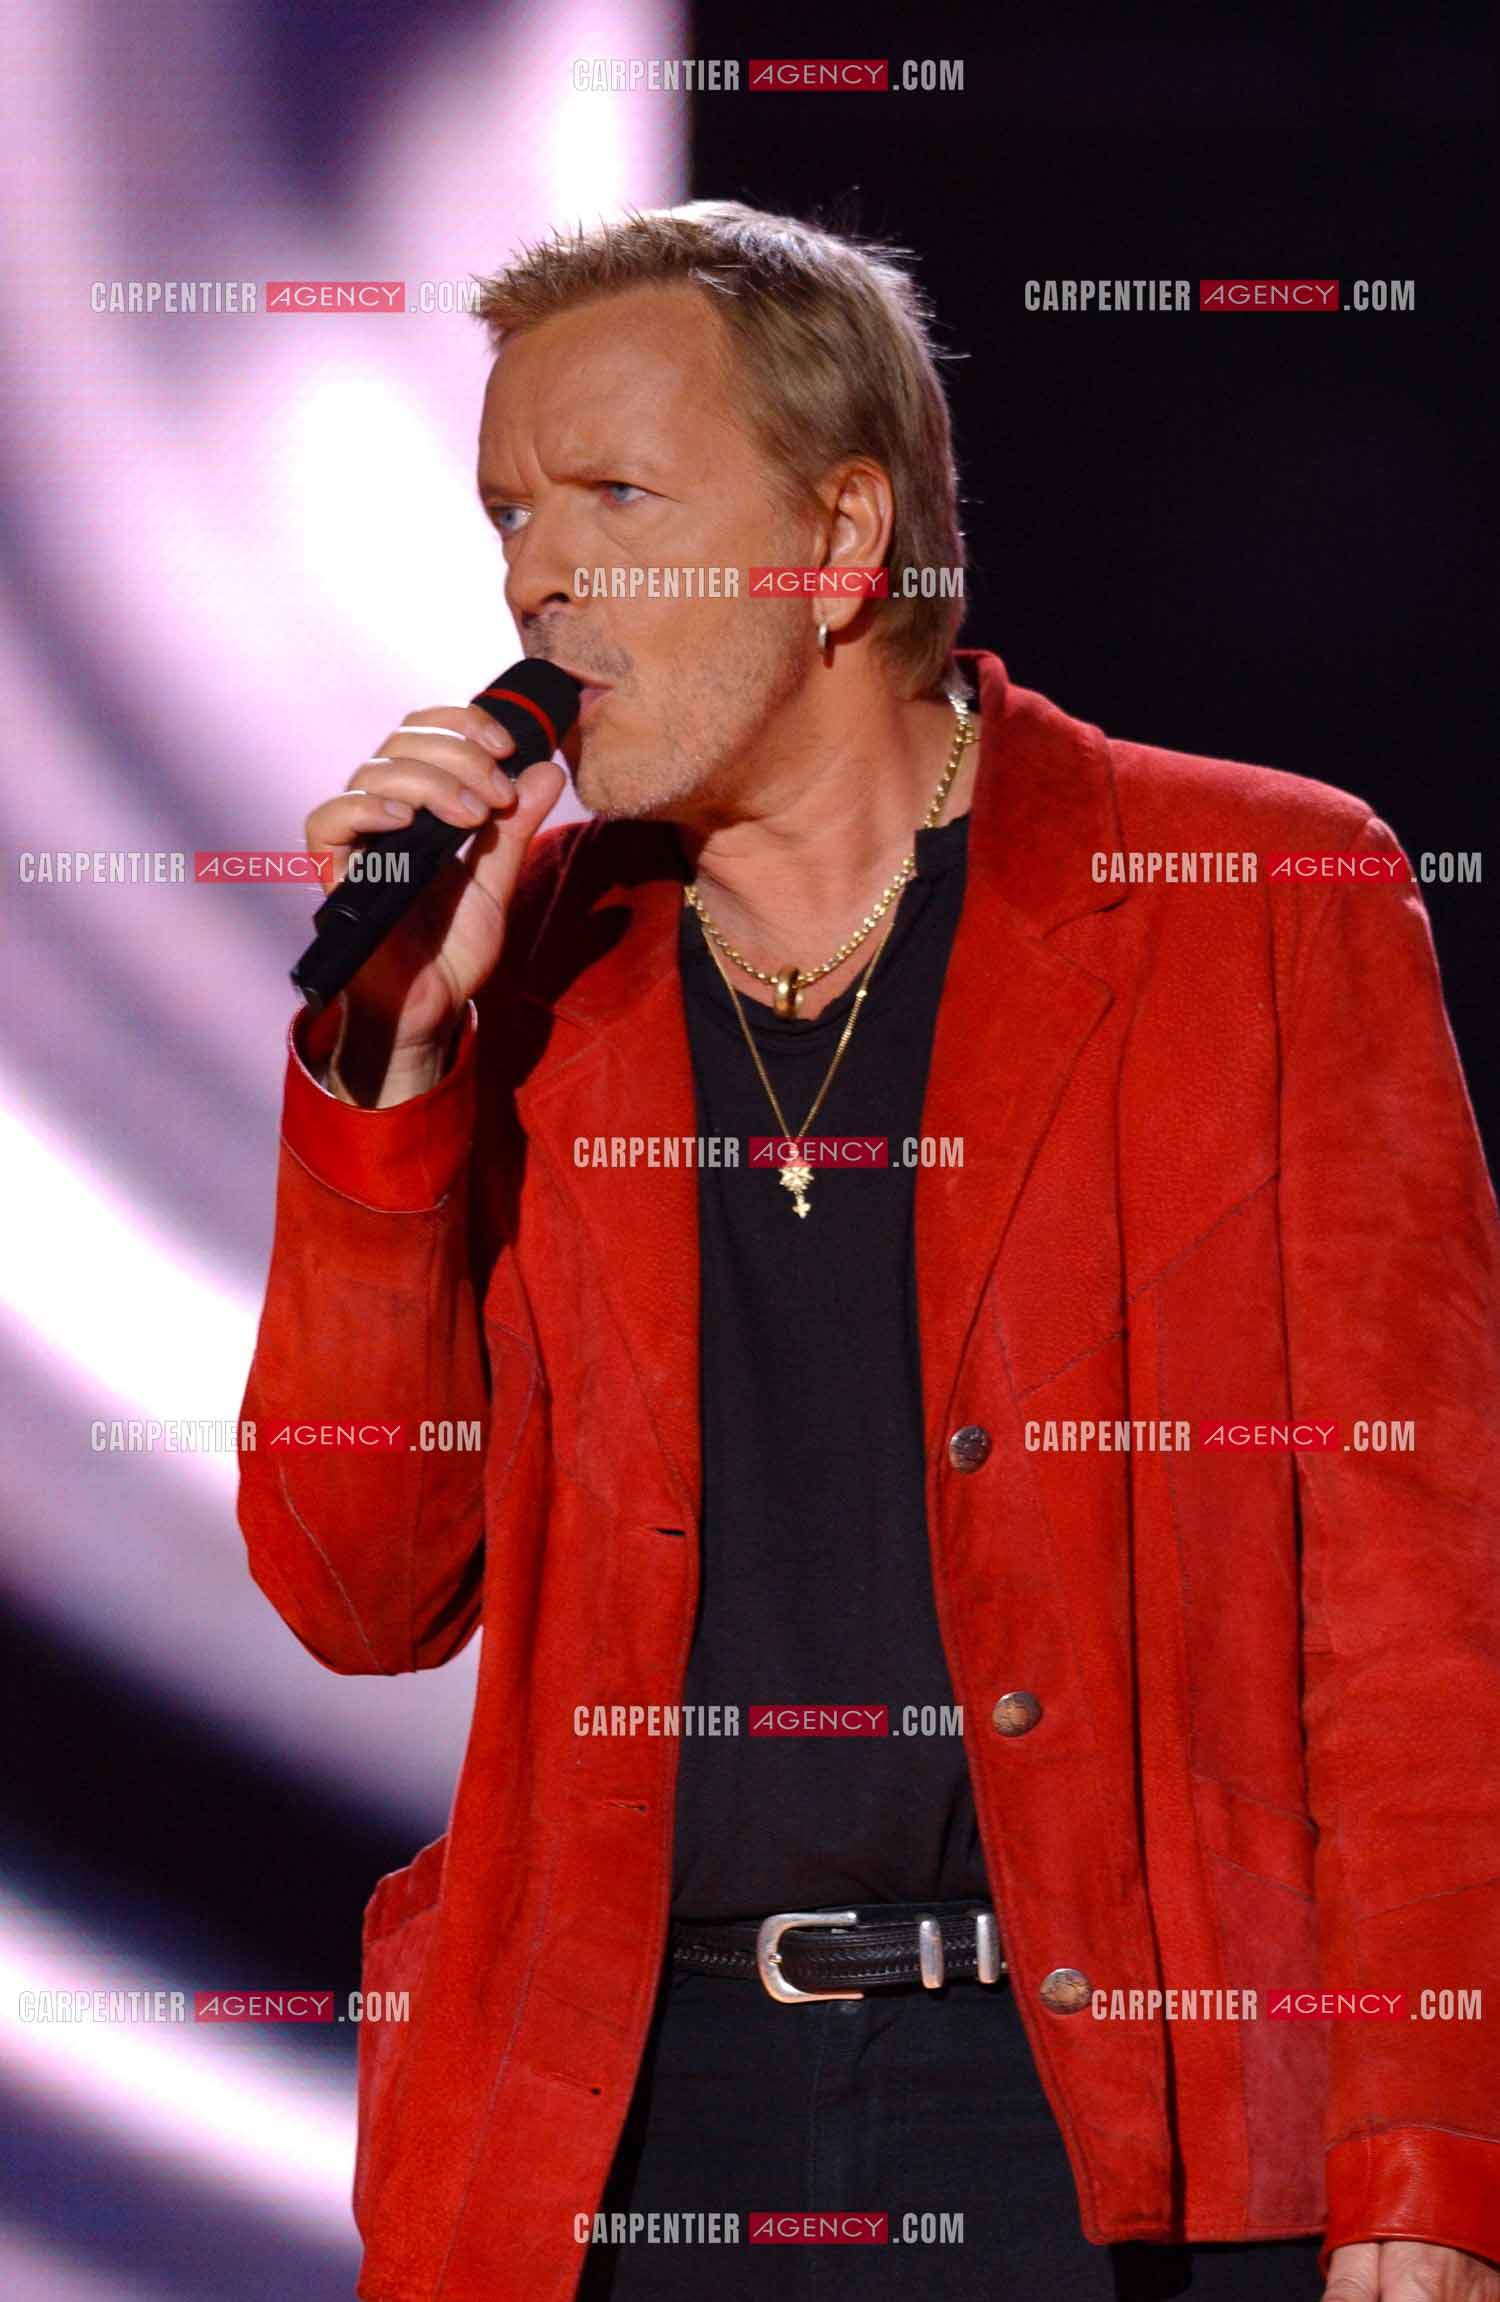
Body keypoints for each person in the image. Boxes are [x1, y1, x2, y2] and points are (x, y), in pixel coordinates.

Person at [237, 203, 1500, 2302]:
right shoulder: (527, 979)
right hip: (626, 2123)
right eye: (512, 515)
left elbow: (1420, 1604)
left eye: (616, 498)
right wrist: (397, 1063)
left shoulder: (1255, 895)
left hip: (1101, 2121)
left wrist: (1430, 2158)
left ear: (838, 540)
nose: (539, 575)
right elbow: (366, 1592)